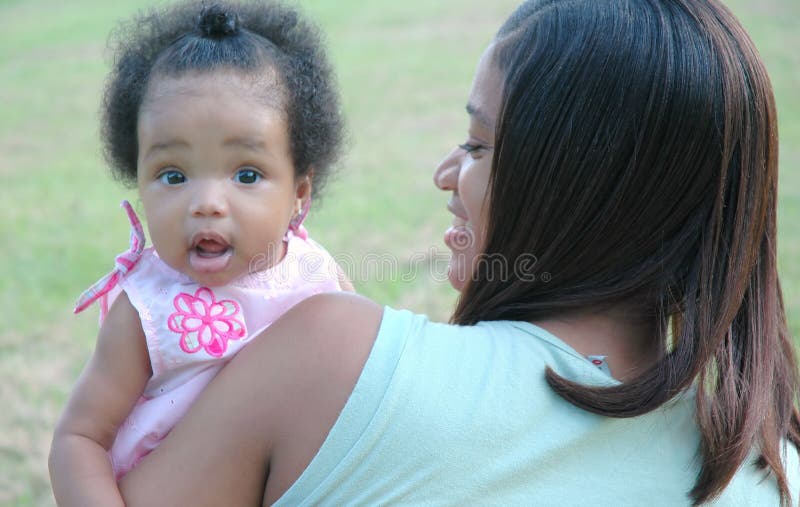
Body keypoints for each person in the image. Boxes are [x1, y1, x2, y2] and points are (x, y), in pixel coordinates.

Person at [71, 0, 800, 505]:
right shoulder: (773, 469)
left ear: (581, 186)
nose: (446, 173)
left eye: (479, 144)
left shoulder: (324, 358)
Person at [48, 1, 352, 505]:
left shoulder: (318, 275)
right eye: (173, 175)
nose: (206, 203)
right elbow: (78, 440)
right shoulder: (147, 310)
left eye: (247, 175)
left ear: (300, 192)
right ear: (139, 183)